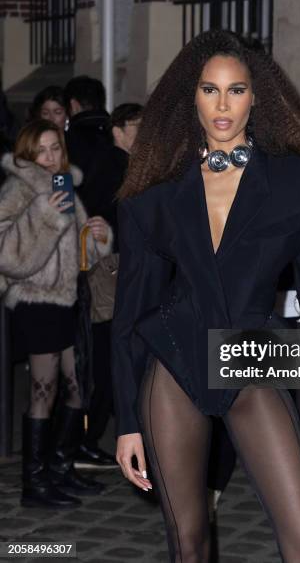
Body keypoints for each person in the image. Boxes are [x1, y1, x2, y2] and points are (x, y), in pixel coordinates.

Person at [112, 30, 300, 562]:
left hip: (248, 357)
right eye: (210, 90)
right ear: (191, 97)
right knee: (189, 542)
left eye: (236, 90)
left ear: (256, 97)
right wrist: (128, 421)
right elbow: (130, 314)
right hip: (174, 361)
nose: (223, 106)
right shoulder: (156, 193)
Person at [0, 119, 112, 508]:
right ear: (28, 153)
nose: (50, 158)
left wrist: (97, 237)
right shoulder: (17, 190)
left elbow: (80, 258)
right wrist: (43, 217)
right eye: (42, 150)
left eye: (56, 149)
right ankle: (35, 483)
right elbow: (7, 257)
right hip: (36, 303)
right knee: (43, 391)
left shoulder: (65, 187)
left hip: (67, 302)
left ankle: (60, 469)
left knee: (79, 386)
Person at [75, 103, 143, 469]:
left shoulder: (125, 164)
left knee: (117, 354)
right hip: (109, 270)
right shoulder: (113, 164)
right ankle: (87, 438)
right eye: (137, 125)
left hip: (115, 267)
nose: (142, 132)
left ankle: (111, 433)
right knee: (107, 357)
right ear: (117, 129)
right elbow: (100, 216)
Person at [64, 76, 119, 468]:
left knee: (85, 358)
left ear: (72, 106)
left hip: (79, 268)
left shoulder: (70, 151)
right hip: (106, 263)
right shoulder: (114, 154)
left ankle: (76, 440)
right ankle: (81, 439)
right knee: (96, 356)